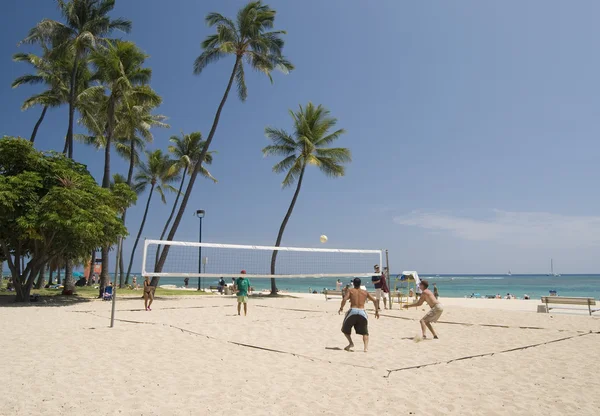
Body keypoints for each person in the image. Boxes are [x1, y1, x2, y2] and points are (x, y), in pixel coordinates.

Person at [338, 278, 380, 352]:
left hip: (353, 311)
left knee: (344, 329)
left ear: (353, 284)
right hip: (362, 312)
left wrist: (341, 308)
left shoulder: (350, 291)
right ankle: (366, 348)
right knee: (365, 332)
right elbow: (375, 300)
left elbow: (344, 299)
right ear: (360, 284)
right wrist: (376, 311)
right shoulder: (365, 292)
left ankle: (351, 343)